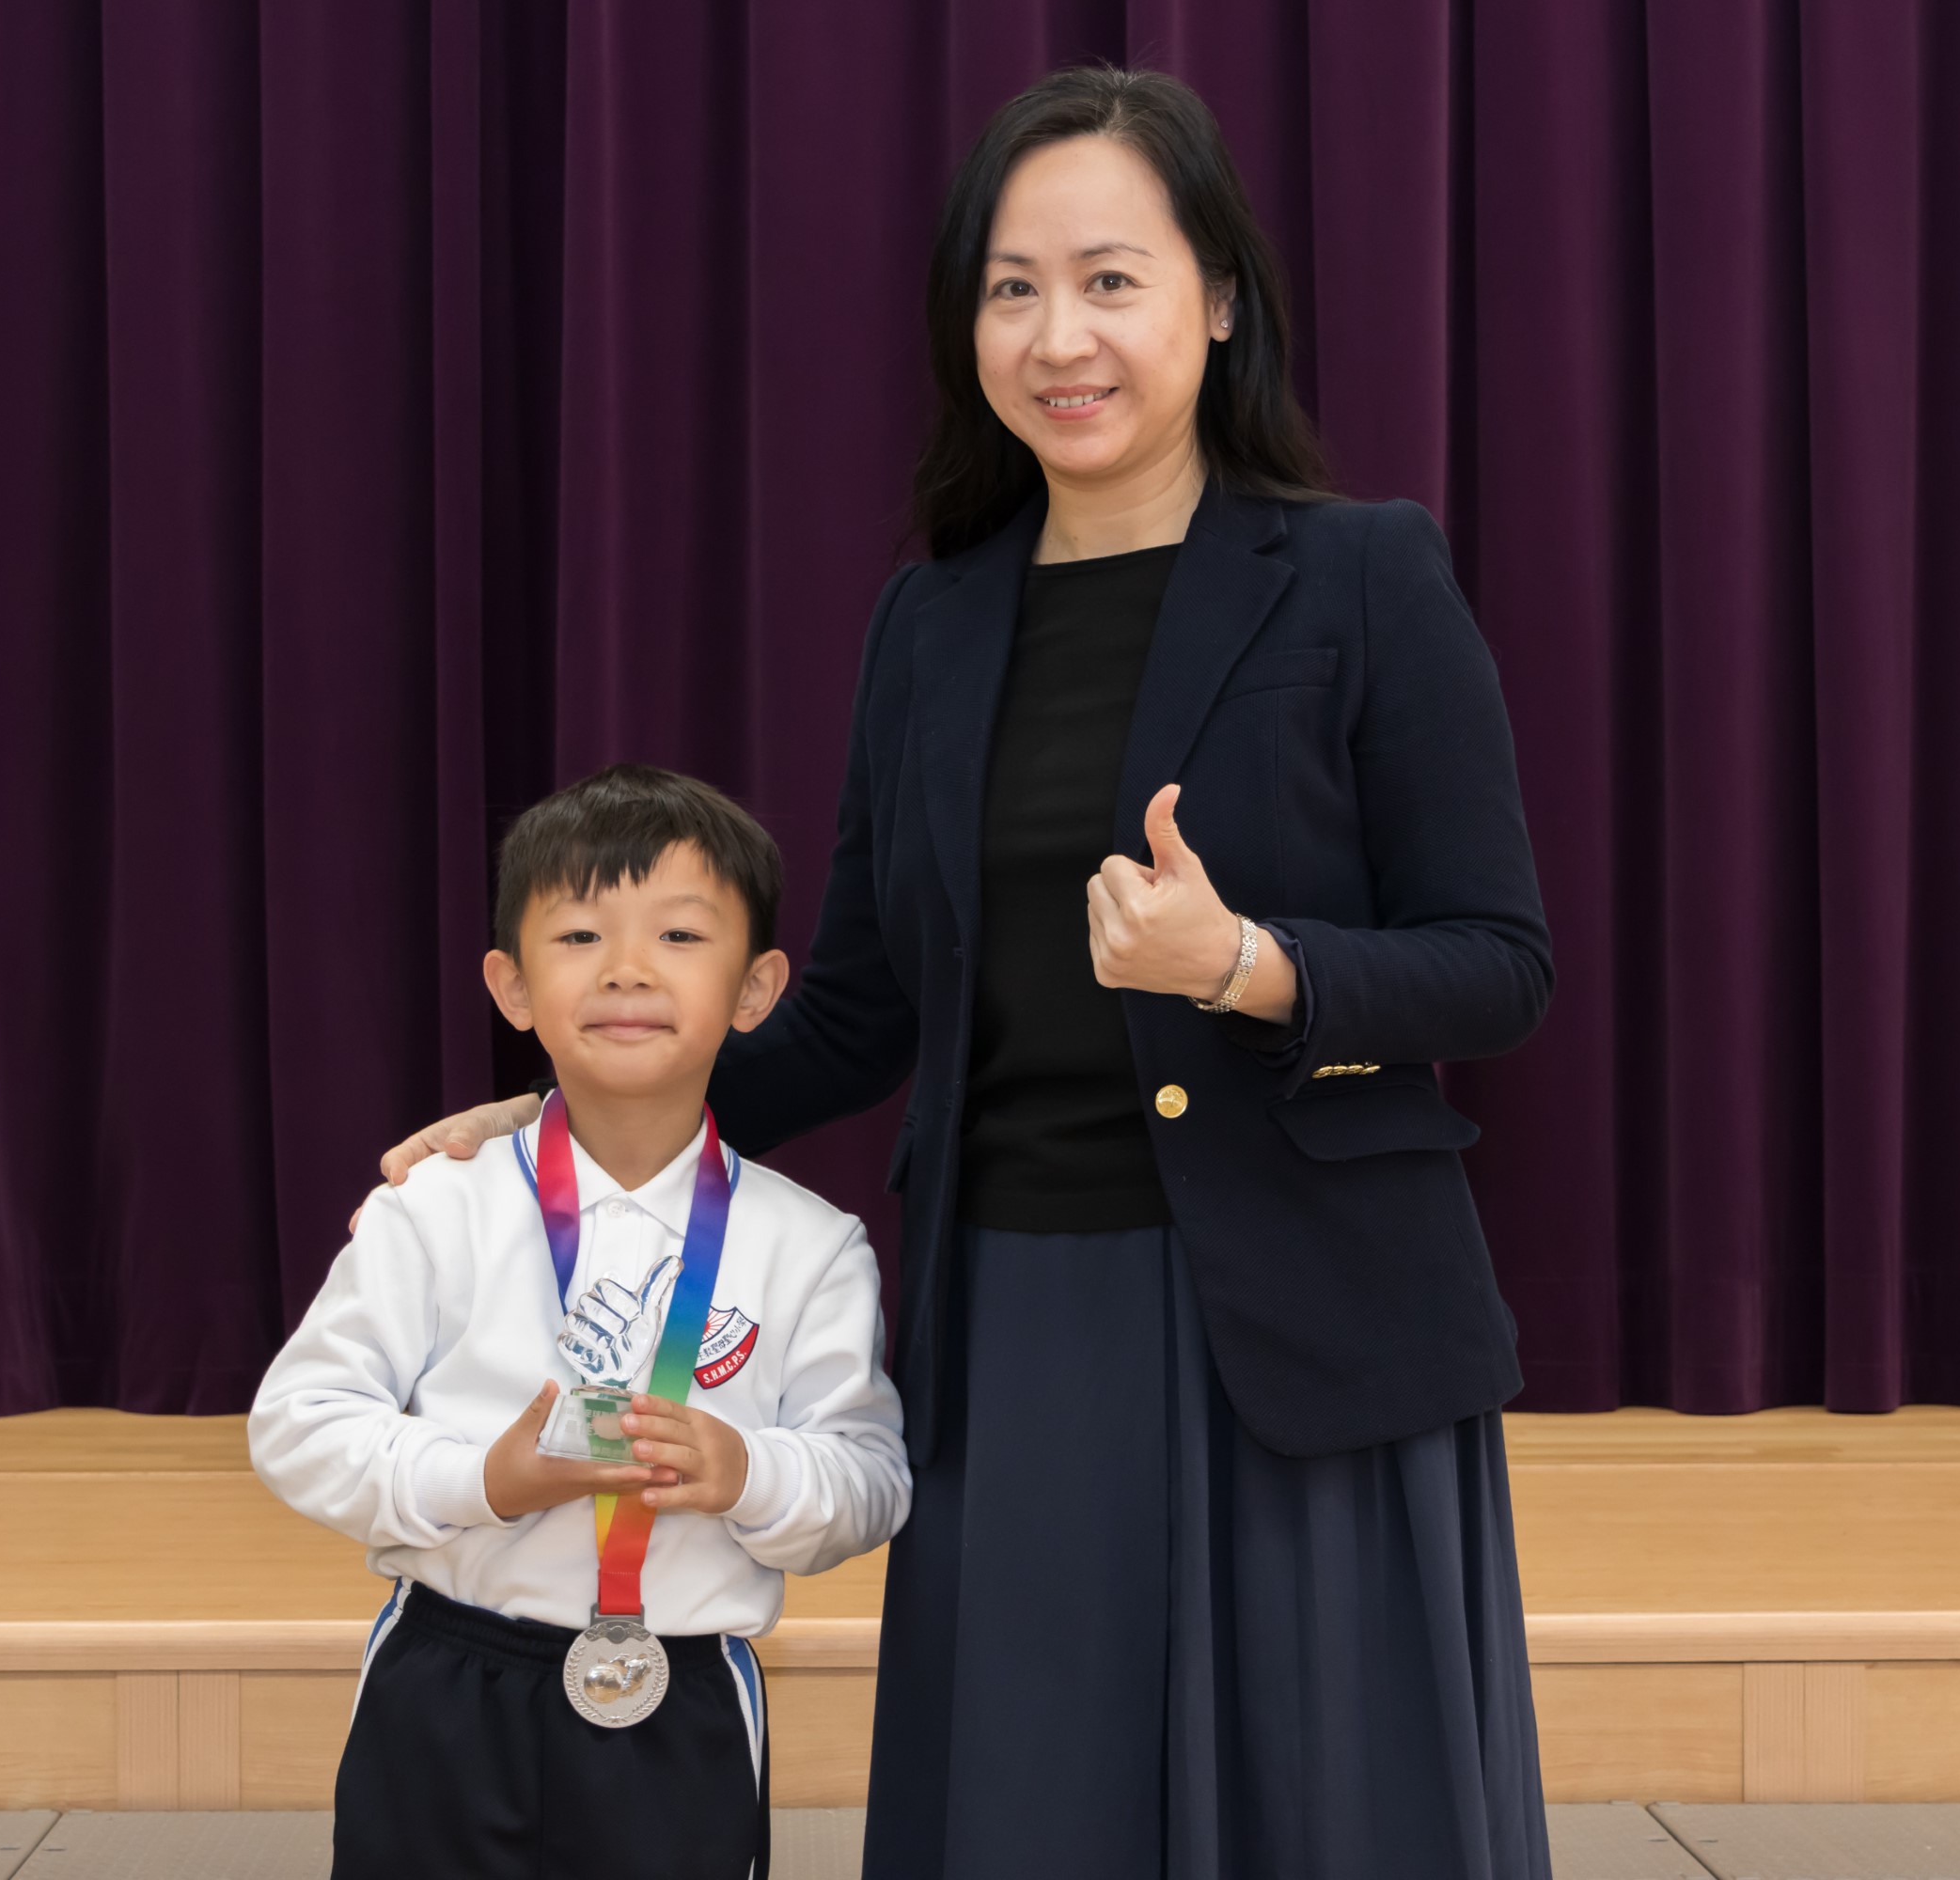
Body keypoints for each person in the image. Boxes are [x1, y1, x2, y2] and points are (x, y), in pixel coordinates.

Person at [382, 65, 1554, 1880]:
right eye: (1013, 289)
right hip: (1022, 1310)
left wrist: (1247, 965)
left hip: (1306, 1311)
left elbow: (1496, 966)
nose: (1057, 336)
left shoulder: (1359, 576)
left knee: (1325, 1816)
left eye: (1109, 280)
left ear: (1217, 299)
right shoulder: (933, 622)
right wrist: (576, 1116)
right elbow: (860, 1007)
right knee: (1033, 1803)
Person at [256, 764, 910, 1880]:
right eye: (578, 935)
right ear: (511, 984)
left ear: (757, 989)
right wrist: (483, 1479)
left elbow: (870, 1478)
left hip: (681, 1694)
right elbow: (298, 1424)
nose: (626, 969)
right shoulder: (434, 1206)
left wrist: (746, 1470)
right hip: (446, 1679)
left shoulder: (812, 1243)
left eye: (680, 934)